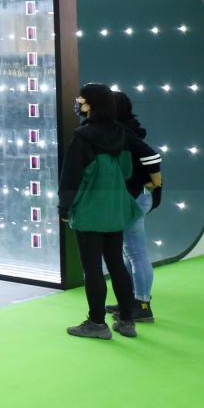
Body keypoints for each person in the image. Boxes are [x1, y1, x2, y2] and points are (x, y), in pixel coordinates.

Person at [58, 83, 160, 341]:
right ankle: (127, 320)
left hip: (89, 210)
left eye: (81, 100)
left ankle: (96, 323)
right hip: (116, 209)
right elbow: (126, 170)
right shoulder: (121, 134)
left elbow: (71, 176)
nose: (78, 104)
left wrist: (65, 207)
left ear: (91, 104)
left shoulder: (83, 136)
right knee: (117, 264)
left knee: (92, 268)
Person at [109, 91, 163, 323]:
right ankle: (132, 300)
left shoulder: (122, 133)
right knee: (130, 252)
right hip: (134, 198)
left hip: (133, 199)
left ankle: (142, 305)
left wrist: (156, 183)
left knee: (135, 252)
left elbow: (152, 157)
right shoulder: (124, 130)